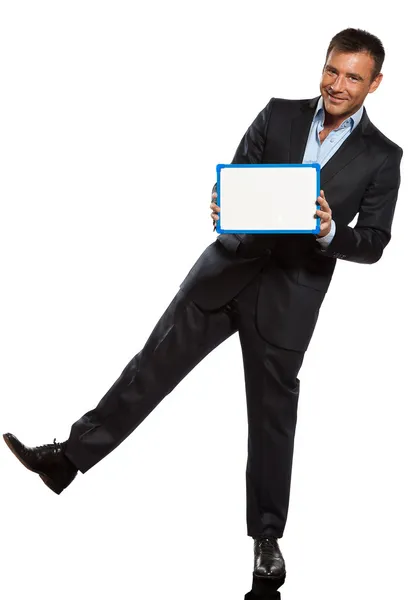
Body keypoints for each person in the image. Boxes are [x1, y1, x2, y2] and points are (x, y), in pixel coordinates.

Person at [3, 27, 403, 583]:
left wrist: (333, 232)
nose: (338, 85)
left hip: (289, 299)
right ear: (323, 67)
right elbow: (239, 177)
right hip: (224, 272)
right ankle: (65, 461)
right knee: (148, 371)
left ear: (375, 83)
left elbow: (376, 243)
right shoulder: (278, 114)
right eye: (332, 71)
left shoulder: (383, 157)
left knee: (271, 421)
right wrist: (224, 203)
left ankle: (267, 539)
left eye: (353, 77)